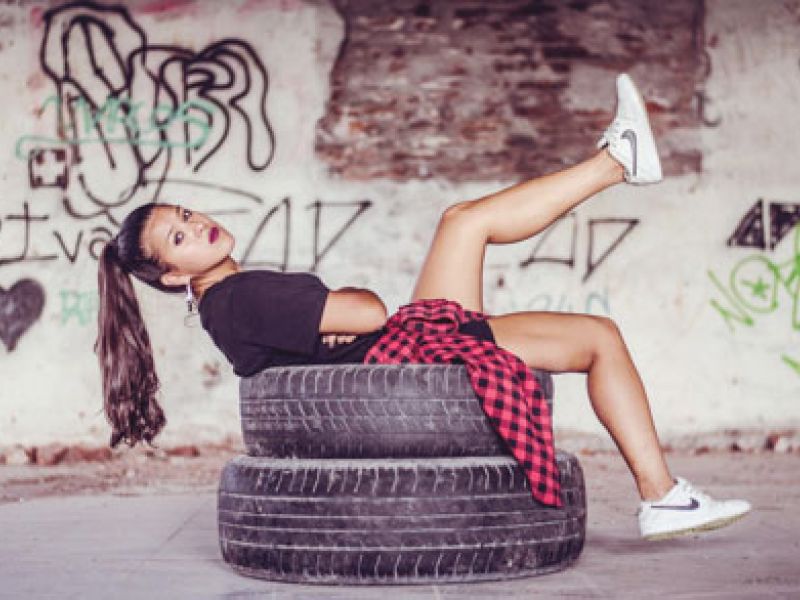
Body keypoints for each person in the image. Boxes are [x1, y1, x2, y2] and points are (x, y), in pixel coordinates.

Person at [95, 74, 751, 541]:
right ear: (172, 275)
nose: (197, 225)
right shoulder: (241, 298)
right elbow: (367, 313)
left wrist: (340, 321)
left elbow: (337, 330)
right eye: (178, 237)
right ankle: (663, 497)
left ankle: (618, 160)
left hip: (395, 353)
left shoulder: (225, 304)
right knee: (598, 336)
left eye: (186, 213)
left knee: (463, 221)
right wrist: (353, 305)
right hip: (406, 357)